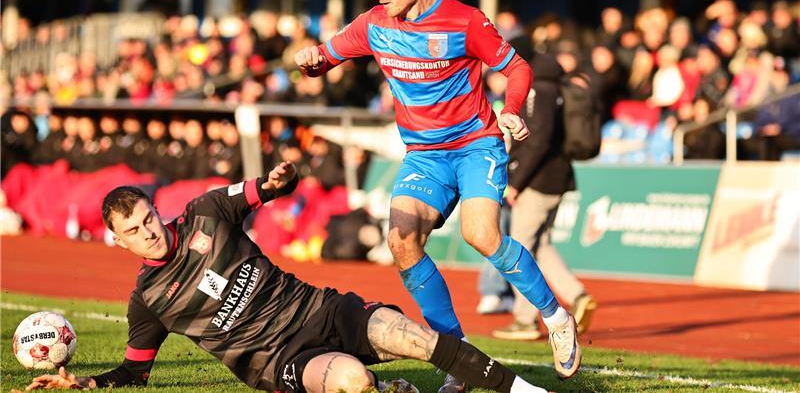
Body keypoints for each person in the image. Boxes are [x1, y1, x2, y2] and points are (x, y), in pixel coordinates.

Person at [294, 0, 581, 390]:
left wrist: (514, 109)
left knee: (481, 234)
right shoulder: (373, 25)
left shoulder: (465, 20)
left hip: (475, 146)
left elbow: (517, 67)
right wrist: (311, 62)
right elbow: (325, 58)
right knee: (401, 241)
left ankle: (557, 317)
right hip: (424, 156)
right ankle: (457, 357)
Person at [21, 162, 552, 393]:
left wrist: (282, 179)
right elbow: (135, 376)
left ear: (158, 211)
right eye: (134, 232)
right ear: (119, 241)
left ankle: (520, 388)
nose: (148, 233)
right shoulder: (150, 300)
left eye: (149, 220)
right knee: (354, 382)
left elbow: (268, 188)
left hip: (317, 308)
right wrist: (84, 382)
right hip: (278, 361)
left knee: (413, 336)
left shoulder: (206, 212)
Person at [486, 53, 598, 340]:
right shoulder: (560, 88)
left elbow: (537, 140)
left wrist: (516, 181)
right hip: (559, 177)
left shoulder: (537, 91)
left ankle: (524, 319)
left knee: (520, 250)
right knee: (542, 244)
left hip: (538, 181)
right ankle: (578, 295)